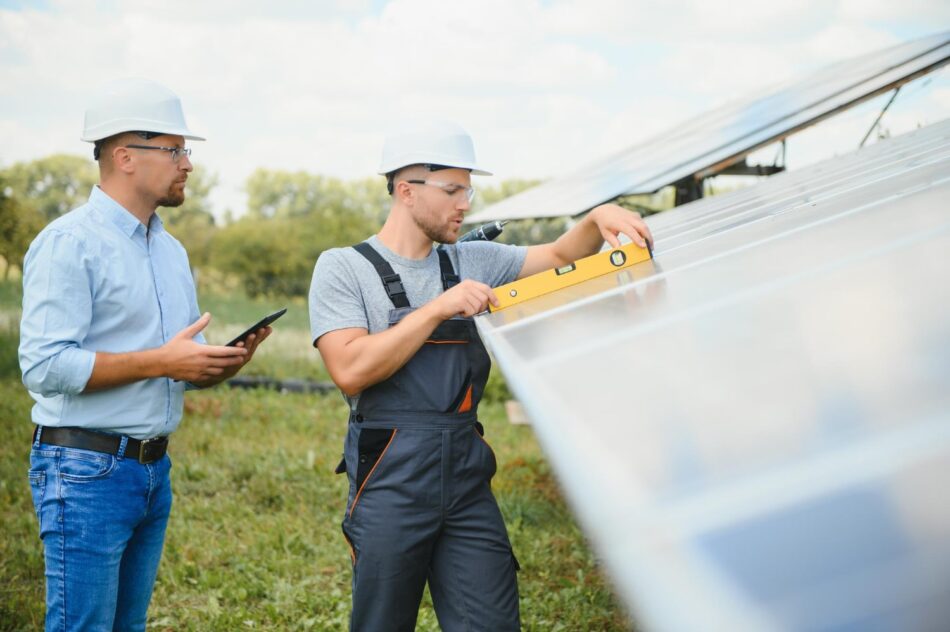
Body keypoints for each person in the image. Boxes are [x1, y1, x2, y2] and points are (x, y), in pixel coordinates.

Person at [308, 119, 653, 631]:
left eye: (468, 189)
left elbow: (558, 256)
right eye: (452, 190)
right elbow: (350, 369)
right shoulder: (343, 268)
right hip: (391, 480)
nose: (465, 203)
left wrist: (595, 217)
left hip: (467, 479)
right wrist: (436, 309)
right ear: (406, 191)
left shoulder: (473, 259)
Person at [18, 77, 271, 632]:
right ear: (125, 156)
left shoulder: (171, 250)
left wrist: (217, 364)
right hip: (84, 472)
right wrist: (162, 361)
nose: (188, 164)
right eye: (176, 150)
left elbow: (178, 360)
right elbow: (44, 367)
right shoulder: (69, 244)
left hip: (152, 471)